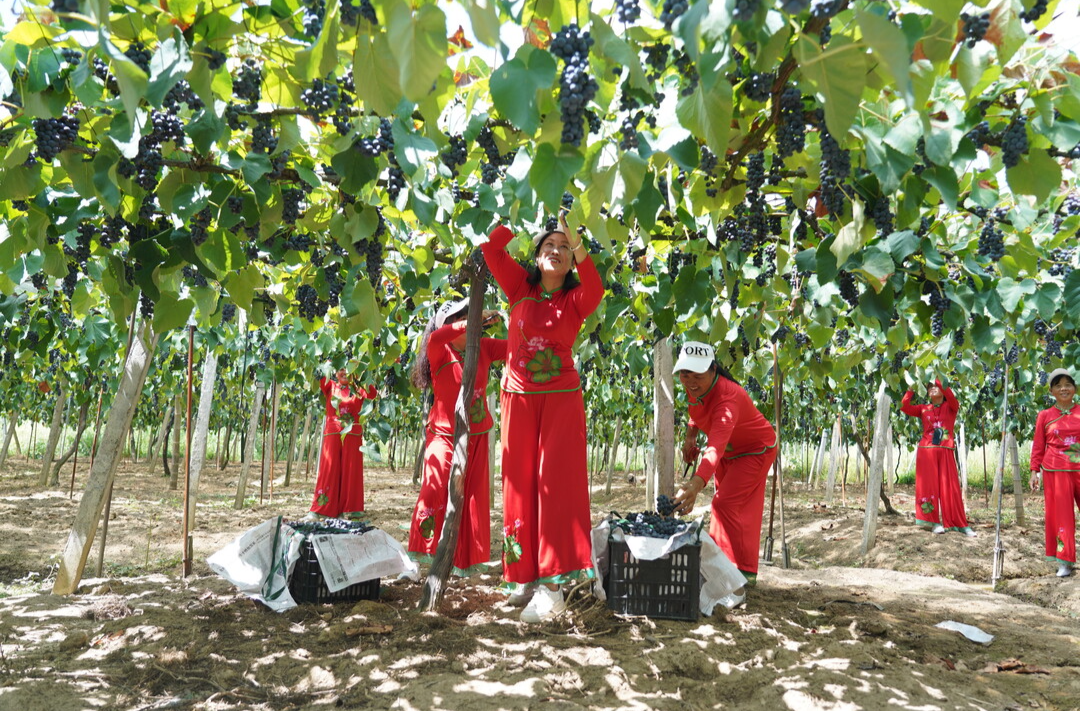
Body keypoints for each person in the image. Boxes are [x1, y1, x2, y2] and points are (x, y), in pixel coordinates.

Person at [480, 212, 603, 623]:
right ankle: (523, 577)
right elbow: (490, 248)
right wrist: (521, 214)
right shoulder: (519, 287)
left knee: (556, 488)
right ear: (536, 254)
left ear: (571, 261)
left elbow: (597, 287)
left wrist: (577, 238)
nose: (556, 251)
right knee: (517, 485)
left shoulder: (575, 299)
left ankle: (553, 588)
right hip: (518, 398)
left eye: (563, 248)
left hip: (561, 401)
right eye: (548, 245)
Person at [671, 341, 777, 609]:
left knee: (725, 506)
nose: (690, 381)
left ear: (713, 370)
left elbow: (715, 446)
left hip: (755, 451)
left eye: (697, 375)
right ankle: (719, 573)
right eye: (685, 373)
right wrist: (690, 437)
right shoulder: (697, 389)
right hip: (731, 453)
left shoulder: (728, 399)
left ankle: (737, 586)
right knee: (728, 509)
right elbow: (696, 411)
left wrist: (695, 484)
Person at [406, 298, 507, 575]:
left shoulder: (483, 348)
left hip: (475, 435)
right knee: (433, 490)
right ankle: (420, 558)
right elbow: (437, 335)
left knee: (471, 497)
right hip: (442, 433)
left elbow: (515, 349)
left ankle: (463, 562)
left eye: (470, 315)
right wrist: (474, 320)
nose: (470, 322)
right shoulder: (440, 349)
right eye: (463, 317)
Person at [899, 378, 976, 536]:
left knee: (951, 488)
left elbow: (951, 396)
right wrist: (912, 387)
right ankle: (933, 523)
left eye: (936, 386)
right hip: (926, 452)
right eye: (930, 386)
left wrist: (936, 374)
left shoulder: (951, 407)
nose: (933, 388)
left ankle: (959, 523)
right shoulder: (923, 408)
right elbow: (904, 406)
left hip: (946, 450)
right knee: (928, 487)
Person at [305, 365, 378, 521]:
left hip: (353, 434)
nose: (344, 372)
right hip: (333, 434)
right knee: (328, 470)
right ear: (335, 372)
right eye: (341, 369)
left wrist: (362, 372)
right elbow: (319, 373)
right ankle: (322, 509)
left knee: (351, 472)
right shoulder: (330, 385)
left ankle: (350, 510)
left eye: (348, 368)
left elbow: (372, 393)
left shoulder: (359, 389)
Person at [1030, 368, 1080, 578]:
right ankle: (1064, 561)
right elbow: (1038, 444)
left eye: (1067, 384)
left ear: (1074, 388)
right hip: (1055, 469)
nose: (1063, 389)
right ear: (1051, 391)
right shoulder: (1045, 415)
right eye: (1058, 385)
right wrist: (1034, 471)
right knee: (1062, 518)